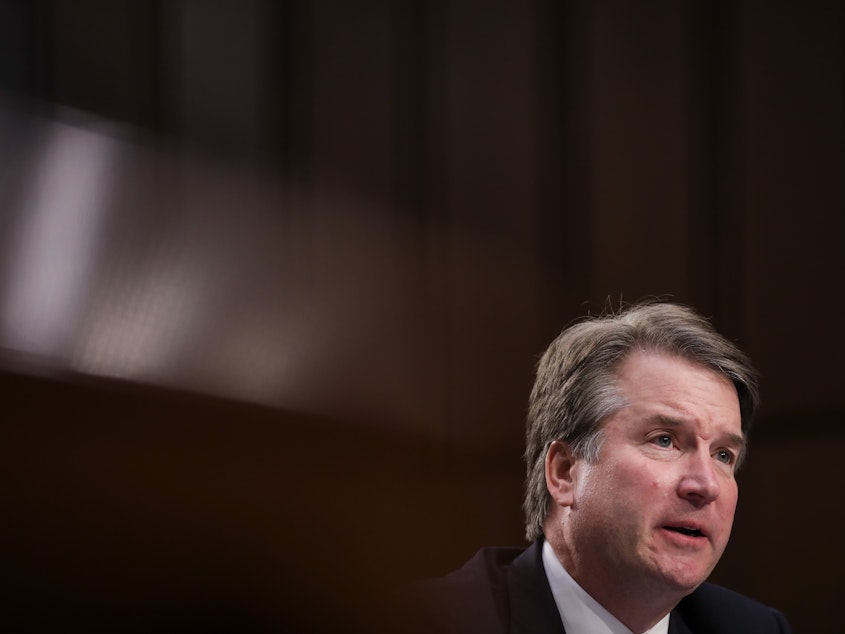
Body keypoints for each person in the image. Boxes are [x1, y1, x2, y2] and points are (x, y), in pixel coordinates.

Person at [413, 302, 792, 634]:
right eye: (664, 440)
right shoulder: (432, 622)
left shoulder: (753, 627)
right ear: (565, 472)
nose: (706, 484)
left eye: (724, 454)